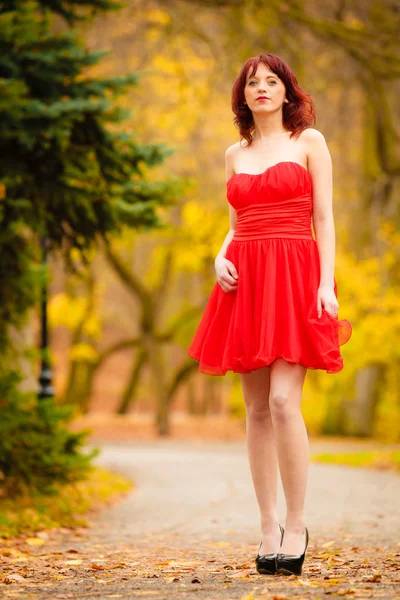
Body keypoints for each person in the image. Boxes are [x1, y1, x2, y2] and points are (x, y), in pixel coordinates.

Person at [187, 53, 352, 576]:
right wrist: (219, 255)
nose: (262, 89)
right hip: (246, 280)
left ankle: (298, 524)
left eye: (271, 81)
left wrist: (326, 284)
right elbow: (236, 222)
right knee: (256, 408)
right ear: (243, 96)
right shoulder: (235, 153)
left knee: (284, 401)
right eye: (253, 83)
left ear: (287, 92)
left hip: (296, 275)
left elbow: (323, 218)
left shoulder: (310, 143)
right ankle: (267, 527)